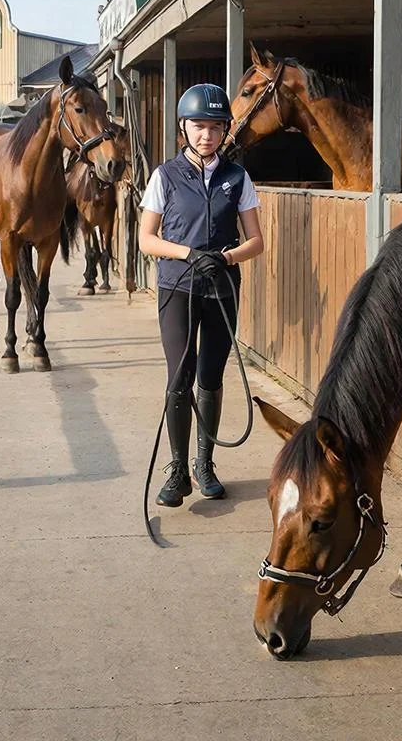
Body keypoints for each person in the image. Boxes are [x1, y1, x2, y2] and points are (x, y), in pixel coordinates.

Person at [138, 83, 263, 507]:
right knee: (180, 376)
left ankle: (204, 464)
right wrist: (189, 253)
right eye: (198, 126)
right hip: (177, 286)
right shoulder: (165, 176)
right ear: (183, 128)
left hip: (222, 288)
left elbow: (257, 241)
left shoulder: (237, 177)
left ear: (225, 130)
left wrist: (226, 259)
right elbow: (147, 239)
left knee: (211, 376)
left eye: (214, 127)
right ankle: (176, 471)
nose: (206, 135)